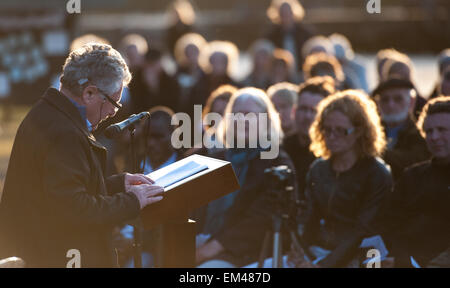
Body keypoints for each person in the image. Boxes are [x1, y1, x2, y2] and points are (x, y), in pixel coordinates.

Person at [0, 43, 164, 267]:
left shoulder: (46, 113)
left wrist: (117, 184)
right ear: (89, 92)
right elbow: (74, 209)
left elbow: (59, 190)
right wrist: (132, 201)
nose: (111, 114)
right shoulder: (65, 133)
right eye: (114, 103)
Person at [194, 88, 296, 267]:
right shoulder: (217, 158)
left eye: (250, 115)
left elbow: (262, 218)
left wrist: (215, 246)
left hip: (250, 251)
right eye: (237, 115)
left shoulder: (277, 162)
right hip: (207, 239)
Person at [300, 90, 392, 267]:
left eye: (342, 131)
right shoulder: (319, 169)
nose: (332, 137)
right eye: (327, 130)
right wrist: (301, 254)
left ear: (359, 132)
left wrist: (323, 265)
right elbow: (308, 218)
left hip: (361, 256)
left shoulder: (377, 174)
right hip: (319, 250)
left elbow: (361, 230)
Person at [381, 96, 450, 267]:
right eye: (429, 131)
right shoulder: (412, 176)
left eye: (442, 129)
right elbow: (387, 227)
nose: (434, 137)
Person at [284, 76, 335, 203]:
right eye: (303, 109)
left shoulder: (332, 154)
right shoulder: (282, 148)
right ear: (294, 111)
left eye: (314, 111)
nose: (307, 116)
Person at [371, 78, 430, 179]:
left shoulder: (422, 133)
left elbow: (413, 162)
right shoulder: (370, 132)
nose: (391, 105)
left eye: (398, 99)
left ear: (411, 101)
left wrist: (372, 151)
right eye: (385, 100)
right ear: (378, 103)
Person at [128, 47, 180, 113]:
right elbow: (135, 104)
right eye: (149, 65)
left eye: (154, 64)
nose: (151, 69)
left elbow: (171, 105)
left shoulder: (170, 80)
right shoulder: (137, 78)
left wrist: (154, 88)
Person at [266, 0, 315, 66]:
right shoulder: (272, 35)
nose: (285, 16)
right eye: (282, 13)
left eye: (288, 12)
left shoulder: (305, 33)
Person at [173, 33, 207, 113]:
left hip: (198, 112)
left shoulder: (205, 74)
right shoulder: (178, 73)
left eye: (194, 51)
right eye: (188, 52)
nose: (191, 55)